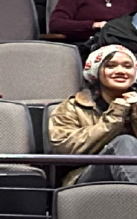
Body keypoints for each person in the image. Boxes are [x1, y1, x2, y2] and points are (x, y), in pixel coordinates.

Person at [49, 44, 137, 185]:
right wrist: (116, 115)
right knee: (124, 142)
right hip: (86, 177)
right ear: (95, 72)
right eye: (110, 66)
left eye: (127, 66)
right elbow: (65, 149)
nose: (120, 71)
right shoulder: (72, 106)